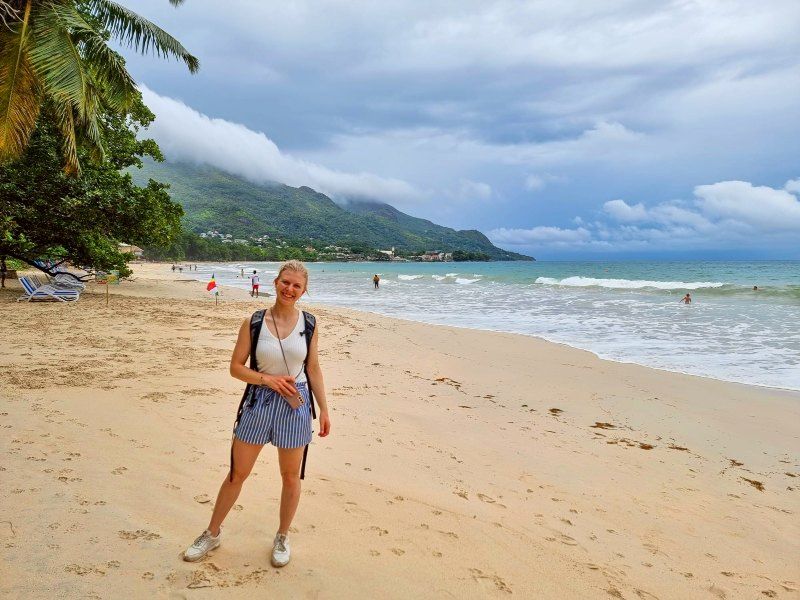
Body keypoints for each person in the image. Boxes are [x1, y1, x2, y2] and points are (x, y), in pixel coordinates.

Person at [183, 260, 331, 566]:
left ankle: (282, 537)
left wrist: (325, 409)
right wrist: (268, 380)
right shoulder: (255, 321)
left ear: (304, 291)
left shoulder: (310, 324)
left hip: (296, 403)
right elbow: (236, 368)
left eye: (296, 285)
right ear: (275, 282)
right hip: (258, 402)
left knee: (291, 477)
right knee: (237, 473)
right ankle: (212, 533)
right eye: (285, 282)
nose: (289, 289)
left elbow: (313, 369)